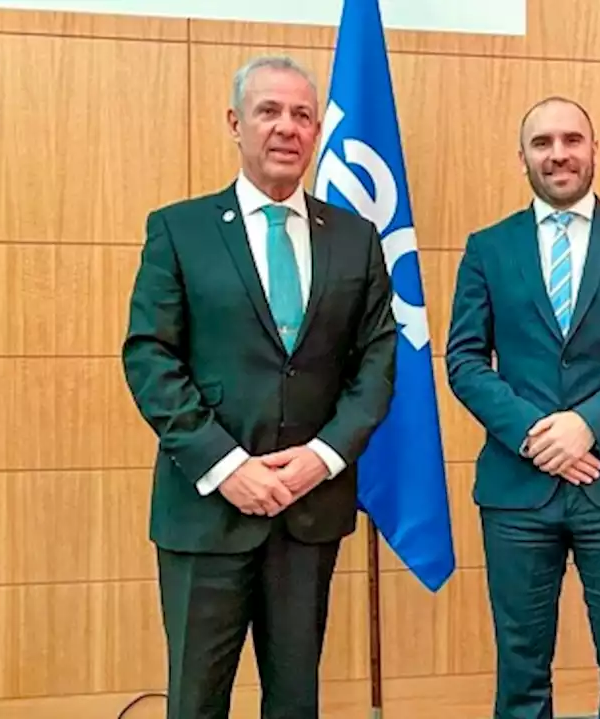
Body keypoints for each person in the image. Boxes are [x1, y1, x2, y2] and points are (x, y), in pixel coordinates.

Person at [121, 55, 395, 719]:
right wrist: (227, 466)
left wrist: (322, 456)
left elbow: (379, 359)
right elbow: (150, 357)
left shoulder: (355, 239)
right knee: (196, 699)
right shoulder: (178, 229)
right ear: (235, 123)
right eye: (269, 111)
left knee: (296, 698)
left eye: (302, 114)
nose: (286, 128)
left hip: (309, 510)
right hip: (205, 511)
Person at [445, 97, 600, 719]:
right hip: (517, 490)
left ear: (594, 150)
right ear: (522, 157)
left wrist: (587, 426)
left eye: (572, 140)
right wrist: (536, 435)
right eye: (543, 143)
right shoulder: (488, 248)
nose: (559, 154)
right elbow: (465, 361)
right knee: (521, 669)